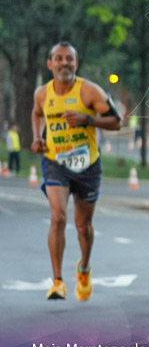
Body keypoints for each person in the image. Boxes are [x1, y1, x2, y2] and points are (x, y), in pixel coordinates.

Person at [31, 42, 123, 301]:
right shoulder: (42, 93)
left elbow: (117, 121)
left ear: (76, 63)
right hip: (55, 161)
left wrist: (87, 120)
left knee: (83, 226)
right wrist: (38, 137)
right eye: (59, 59)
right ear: (50, 64)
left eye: (69, 59)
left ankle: (83, 268)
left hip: (87, 166)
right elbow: (37, 113)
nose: (64, 64)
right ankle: (58, 281)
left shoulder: (90, 91)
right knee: (58, 217)